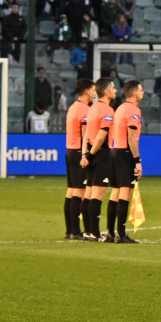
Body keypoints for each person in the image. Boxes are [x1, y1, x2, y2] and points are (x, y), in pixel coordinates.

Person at [106, 80, 144, 244]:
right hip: (125, 153)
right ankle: (121, 235)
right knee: (125, 192)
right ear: (134, 93)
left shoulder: (120, 108)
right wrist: (137, 160)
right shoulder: (133, 110)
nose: (143, 93)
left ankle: (110, 232)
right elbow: (132, 137)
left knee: (115, 192)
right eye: (141, 90)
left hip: (115, 151)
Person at [82, 79, 119, 242]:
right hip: (101, 154)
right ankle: (95, 233)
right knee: (97, 195)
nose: (115, 90)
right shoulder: (107, 110)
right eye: (113, 87)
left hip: (91, 152)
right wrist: (90, 155)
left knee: (89, 193)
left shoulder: (92, 108)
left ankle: (87, 231)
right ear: (105, 91)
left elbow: (86, 136)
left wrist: (85, 155)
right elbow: (101, 137)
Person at [63, 78, 96, 241]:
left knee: (71, 191)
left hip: (70, 150)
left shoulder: (73, 107)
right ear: (86, 91)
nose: (95, 93)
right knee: (79, 191)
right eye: (93, 90)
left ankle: (70, 230)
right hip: (78, 152)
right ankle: (76, 231)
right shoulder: (84, 110)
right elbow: (85, 135)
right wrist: (87, 154)